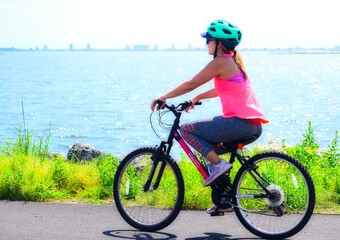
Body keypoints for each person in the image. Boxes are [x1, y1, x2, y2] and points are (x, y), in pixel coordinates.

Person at [150, 20, 268, 213]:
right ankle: (225, 199)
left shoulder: (220, 62)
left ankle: (219, 165)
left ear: (219, 44)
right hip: (251, 125)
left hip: (240, 124)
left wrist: (164, 97)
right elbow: (222, 88)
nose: (206, 44)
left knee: (187, 130)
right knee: (205, 148)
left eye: (209, 40)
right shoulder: (232, 61)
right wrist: (197, 98)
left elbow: (191, 83)